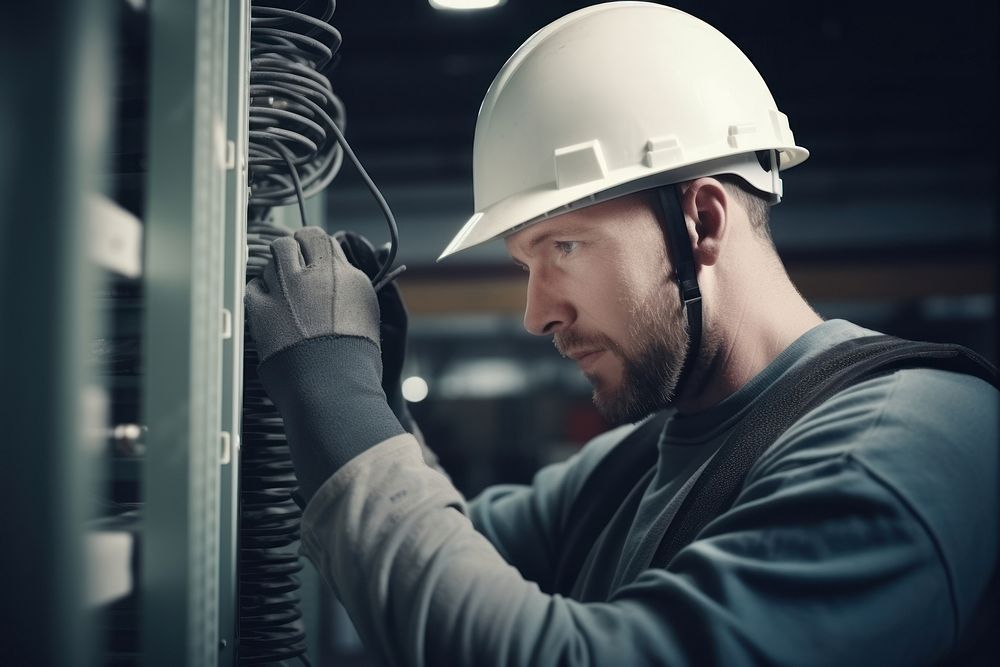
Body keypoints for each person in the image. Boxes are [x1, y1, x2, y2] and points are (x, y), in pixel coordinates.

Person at [244, 3, 998, 664]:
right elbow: (458, 565)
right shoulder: (637, 459)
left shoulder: (904, 447)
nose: (537, 313)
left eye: (564, 247)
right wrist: (382, 408)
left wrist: (335, 397)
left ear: (702, 220)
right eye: (525, 263)